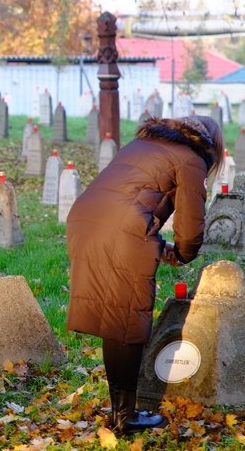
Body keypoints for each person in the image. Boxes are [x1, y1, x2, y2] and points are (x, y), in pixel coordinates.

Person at [66, 115, 224, 434]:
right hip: (122, 227)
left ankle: (120, 411)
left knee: (116, 318)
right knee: (128, 320)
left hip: (84, 219)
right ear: (213, 145)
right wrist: (182, 253)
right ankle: (125, 416)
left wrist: (157, 241)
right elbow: (191, 222)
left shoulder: (145, 142)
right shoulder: (192, 157)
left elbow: (130, 195)